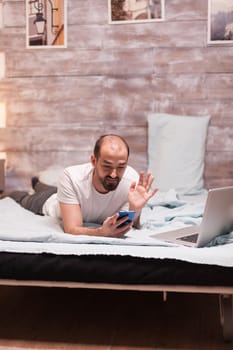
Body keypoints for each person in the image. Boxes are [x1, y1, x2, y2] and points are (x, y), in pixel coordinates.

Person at [2, 134, 157, 237]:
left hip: (68, 195)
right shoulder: (71, 176)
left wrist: (135, 209)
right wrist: (101, 232)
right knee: (22, 197)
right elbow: (72, 229)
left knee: (50, 188)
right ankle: (28, 188)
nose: (114, 174)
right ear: (93, 161)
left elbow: (131, 225)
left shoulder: (132, 180)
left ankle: (38, 183)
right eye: (107, 166)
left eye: (121, 167)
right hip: (49, 202)